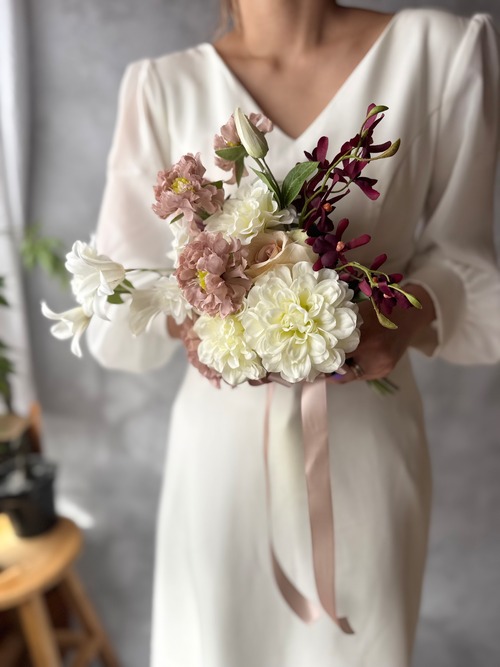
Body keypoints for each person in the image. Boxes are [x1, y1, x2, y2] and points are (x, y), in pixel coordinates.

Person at [86, 2, 500, 665]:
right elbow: (117, 301)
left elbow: (468, 260)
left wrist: (408, 315)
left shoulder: (436, 52)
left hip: (365, 453)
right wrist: (194, 314)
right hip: (220, 464)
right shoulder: (163, 87)